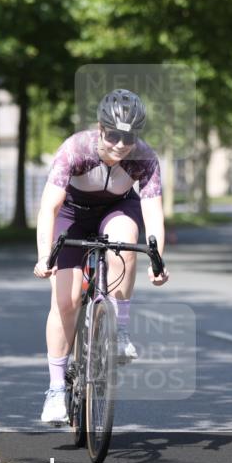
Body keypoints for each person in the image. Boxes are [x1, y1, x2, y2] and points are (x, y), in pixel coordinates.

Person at [32, 89, 170, 423]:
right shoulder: (75, 149)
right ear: (99, 127)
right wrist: (43, 257)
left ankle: (119, 331)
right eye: (113, 136)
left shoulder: (144, 158)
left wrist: (158, 260)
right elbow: (48, 208)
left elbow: (153, 214)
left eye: (129, 137)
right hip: (72, 215)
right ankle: (55, 391)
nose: (121, 145)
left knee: (126, 241)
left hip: (116, 209)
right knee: (65, 301)